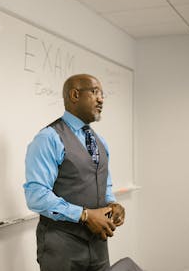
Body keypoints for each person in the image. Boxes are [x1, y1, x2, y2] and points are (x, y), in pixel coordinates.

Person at [24, 74, 126, 271]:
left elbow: (104, 184)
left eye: (102, 94)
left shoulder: (100, 141)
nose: (101, 99)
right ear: (75, 95)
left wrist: (112, 203)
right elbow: (36, 196)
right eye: (95, 92)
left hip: (98, 245)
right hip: (62, 246)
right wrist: (85, 215)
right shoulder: (49, 138)